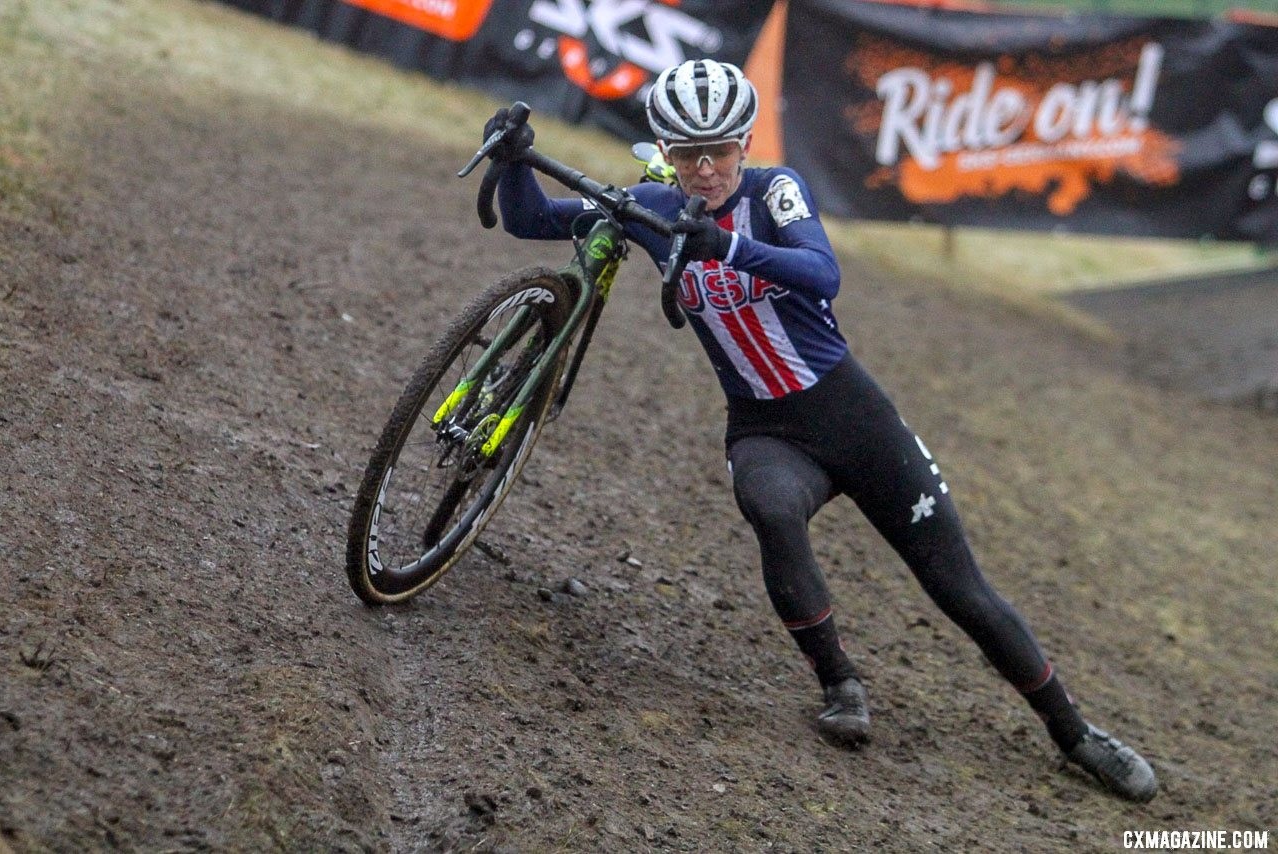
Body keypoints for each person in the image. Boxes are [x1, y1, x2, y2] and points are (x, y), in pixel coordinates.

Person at [483, 59, 1158, 803]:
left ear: (743, 142)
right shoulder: (652, 207)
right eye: (687, 154)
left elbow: (822, 273)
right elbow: (528, 219)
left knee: (960, 590)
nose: (706, 169)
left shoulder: (777, 190)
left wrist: (728, 248)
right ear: (666, 154)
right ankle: (841, 684)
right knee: (772, 509)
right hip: (766, 429)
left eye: (721, 151)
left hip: (854, 419)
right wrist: (513, 159)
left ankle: (1074, 733)